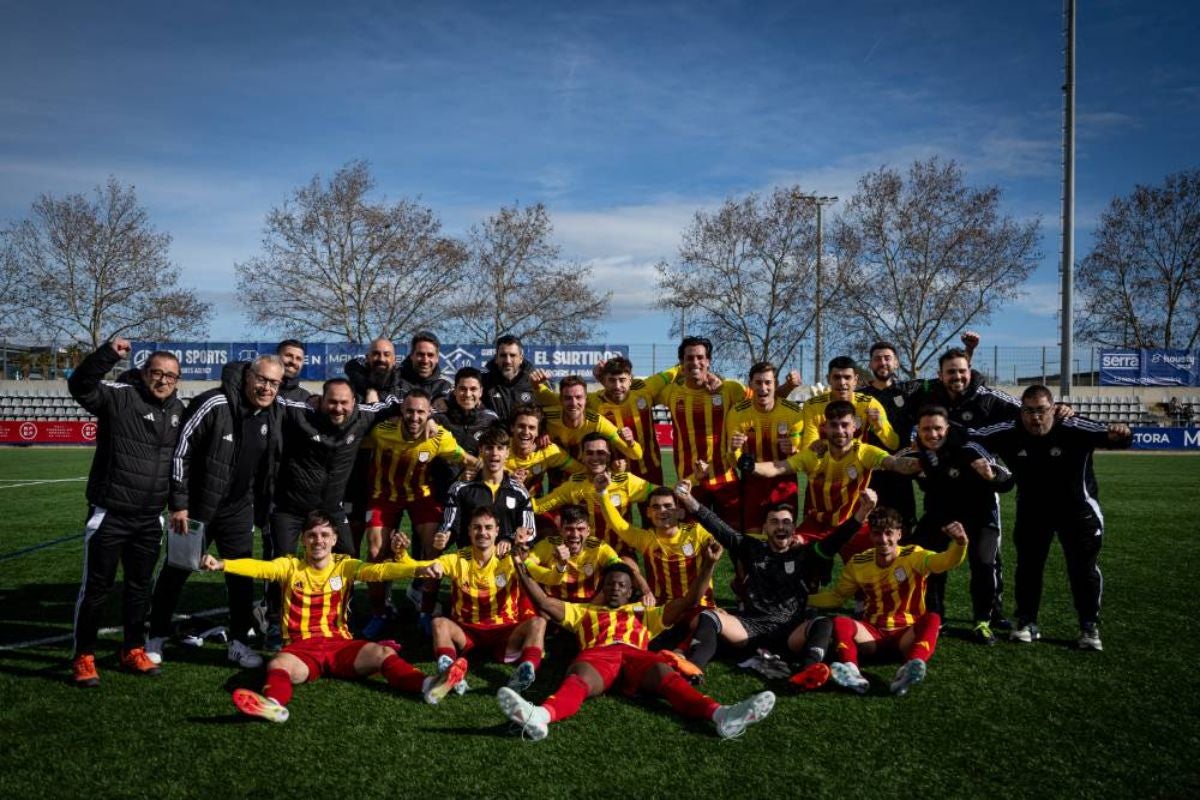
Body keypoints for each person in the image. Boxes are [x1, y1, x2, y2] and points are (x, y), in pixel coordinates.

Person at [198, 510, 465, 722]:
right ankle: (274, 706)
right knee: (278, 665)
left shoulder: (345, 566)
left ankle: (429, 685)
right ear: (303, 539)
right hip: (301, 650)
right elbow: (259, 567)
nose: (319, 541)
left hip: (340, 646)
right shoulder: (290, 566)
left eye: (325, 535)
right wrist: (223, 563)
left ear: (334, 540)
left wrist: (419, 570)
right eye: (312, 535)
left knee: (384, 655)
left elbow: (380, 572)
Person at [498, 543, 776, 741]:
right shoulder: (584, 612)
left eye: (621, 585)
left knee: (667, 675)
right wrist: (519, 565)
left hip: (636, 656)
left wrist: (710, 564)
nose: (614, 588)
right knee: (578, 677)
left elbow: (691, 600)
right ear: (602, 588)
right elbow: (543, 602)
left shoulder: (646, 614)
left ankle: (722, 716)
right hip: (599, 655)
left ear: (631, 591)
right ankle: (541, 716)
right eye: (609, 584)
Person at [147, 355, 285, 668]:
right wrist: (179, 504)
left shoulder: (272, 411)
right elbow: (181, 453)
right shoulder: (213, 402)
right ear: (249, 376)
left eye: (274, 383)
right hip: (197, 509)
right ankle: (155, 636)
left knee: (240, 577)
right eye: (262, 379)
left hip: (238, 511)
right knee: (176, 571)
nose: (267, 387)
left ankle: (238, 643)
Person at [971, 385, 1133, 650]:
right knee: (1028, 568)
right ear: (1021, 411)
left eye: (1042, 410)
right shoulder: (1009, 431)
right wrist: (978, 457)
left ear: (1054, 409)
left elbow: (1116, 437)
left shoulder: (1074, 426)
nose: (1036, 417)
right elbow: (971, 437)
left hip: (1078, 513)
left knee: (1083, 570)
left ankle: (1089, 626)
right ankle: (1026, 622)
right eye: (1029, 411)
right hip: (1033, 512)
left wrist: (1122, 432)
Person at [673, 482, 878, 689]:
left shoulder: (805, 553)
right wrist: (688, 499)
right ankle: (693, 666)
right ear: (766, 527)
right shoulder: (751, 547)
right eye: (774, 522)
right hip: (751, 627)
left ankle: (808, 671)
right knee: (710, 617)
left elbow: (836, 540)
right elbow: (719, 527)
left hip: (791, 632)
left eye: (786, 522)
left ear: (793, 527)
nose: (781, 527)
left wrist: (863, 511)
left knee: (822, 623)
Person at [67, 338, 185, 686]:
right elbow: (80, 385)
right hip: (111, 512)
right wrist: (107, 355)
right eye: (157, 373)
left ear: (177, 380)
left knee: (139, 588)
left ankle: (132, 647)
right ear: (143, 372)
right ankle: (84, 655)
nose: (163, 381)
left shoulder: (178, 410)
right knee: (96, 589)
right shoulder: (118, 397)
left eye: (171, 376)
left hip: (150, 516)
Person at [809, 509, 969, 696]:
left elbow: (945, 562)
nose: (883, 540)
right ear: (870, 535)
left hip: (906, 636)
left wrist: (960, 543)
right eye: (877, 533)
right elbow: (837, 597)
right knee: (840, 622)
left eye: (888, 533)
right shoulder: (859, 562)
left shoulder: (914, 555)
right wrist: (804, 599)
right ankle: (852, 672)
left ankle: (908, 668)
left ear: (899, 534)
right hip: (873, 634)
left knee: (932, 619)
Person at [359, 389, 478, 638]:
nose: (415, 417)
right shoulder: (381, 431)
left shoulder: (439, 438)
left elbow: (466, 458)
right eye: (410, 411)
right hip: (383, 496)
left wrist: (498, 467)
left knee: (434, 547)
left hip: (420, 497)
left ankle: (425, 611)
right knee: (374, 551)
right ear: (401, 411)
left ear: (429, 414)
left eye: (421, 412)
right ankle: (379, 613)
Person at [747, 399, 921, 563]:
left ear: (854, 427)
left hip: (855, 524)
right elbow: (778, 467)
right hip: (817, 525)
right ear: (825, 427)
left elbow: (895, 463)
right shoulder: (815, 454)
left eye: (845, 425)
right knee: (791, 553)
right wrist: (749, 466)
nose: (839, 431)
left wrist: (922, 463)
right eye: (834, 425)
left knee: (877, 565)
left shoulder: (865, 452)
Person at [399, 506, 546, 697]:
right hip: (467, 632)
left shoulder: (510, 558)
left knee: (539, 623)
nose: (482, 533)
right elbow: (425, 566)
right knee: (439, 623)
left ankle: (526, 671)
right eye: (477, 528)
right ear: (469, 531)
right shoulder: (458, 558)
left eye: (487, 527)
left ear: (497, 531)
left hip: (505, 632)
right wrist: (406, 556)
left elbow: (539, 571)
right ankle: (450, 671)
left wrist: (525, 551)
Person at [900, 406, 1013, 644]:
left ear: (947, 429)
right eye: (926, 429)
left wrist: (992, 474)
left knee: (984, 564)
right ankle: (935, 617)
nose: (932, 435)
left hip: (979, 515)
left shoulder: (970, 448)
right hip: (940, 517)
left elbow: (1007, 480)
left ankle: (983, 620)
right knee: (926, 560)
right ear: (918, 432)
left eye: (938, 429)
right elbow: (886, 463)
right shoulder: (916, 454)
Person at [653, 336, 746, 525]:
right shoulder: (669, 393)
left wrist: (790, 385)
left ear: (708, 361)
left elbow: (768, 398)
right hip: (688, 481)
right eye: (689, 358)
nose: (695, 362)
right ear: (681, 363)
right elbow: (637, 394)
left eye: (700, 357)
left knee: (734, 540)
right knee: (691, 539)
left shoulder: (730, 389)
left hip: (725, 478)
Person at [535, 432, 654, 556]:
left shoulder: (625, 481)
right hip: (585, 554)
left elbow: (661, 494)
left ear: (608, 456)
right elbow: (539, 506)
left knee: (627, 573)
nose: (595, 457)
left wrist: (677, 490)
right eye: (589, 453)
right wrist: (517, 490)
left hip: (619, 551)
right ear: (582, 456)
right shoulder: (574, 484)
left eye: (600, 453)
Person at [723, 361, 805, 536]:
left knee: (783, 540)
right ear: (750, 384)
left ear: (775, 384)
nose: (763, 387)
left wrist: (794, 450)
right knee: (753, 542)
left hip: (784, 483)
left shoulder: (794, 413)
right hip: (753, 485)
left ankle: (787, 565)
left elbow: (804, 455)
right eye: (758, 382)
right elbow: (733, 457)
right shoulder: (737, 413)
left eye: (768, 382)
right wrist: (733, 450)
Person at [589, 356, 678, 486]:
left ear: (630, 379)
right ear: (603, 381)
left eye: (622, 380)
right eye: (612, 380)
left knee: (655, 506)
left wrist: (709, 377)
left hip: (650, 468)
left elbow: (675, 371)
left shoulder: (645, 390)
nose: (617, 386)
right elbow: (561, 401)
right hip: (614, 472)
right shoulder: (593, 401)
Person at [521, 504, 626, 602]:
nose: (575, 534)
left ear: (588, 531)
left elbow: (620, 570)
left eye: (580, 529)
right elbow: (527, 564)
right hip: (555, 604)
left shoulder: (599, 547)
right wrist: (551, 574)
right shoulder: (548, 544)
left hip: (589, 604)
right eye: (569, 529)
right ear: (560, 530)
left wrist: (599, 599)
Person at [798, 356, 898, 452]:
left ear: (855, 380)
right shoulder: (812, 405)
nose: (842, 382)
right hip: (823, 464)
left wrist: (879, 426)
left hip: (857, 465)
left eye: (847, 377)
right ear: (828, 379)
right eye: (837, 377)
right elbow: (808, 447)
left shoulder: (868, 403)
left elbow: (893, 444)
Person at [540, 375, 643, 466]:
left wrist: (631, 443)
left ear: (586, 399)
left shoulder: (597, 422)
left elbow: (637, 455)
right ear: (561, 400)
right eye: (568, 398)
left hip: (589, 480)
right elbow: (528, 420)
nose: (573, 403)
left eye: (578, 397)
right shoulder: (547, 416)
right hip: (558, 482)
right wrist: (540, 430)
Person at [482, 334, 537, 423]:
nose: (508, 361)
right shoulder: (483, 382)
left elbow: (546, 413)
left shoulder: (535, 383)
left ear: (521, 359)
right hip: (495, 436)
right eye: (503, 355)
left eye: (512, 355)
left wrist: (543, 431)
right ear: (496, 358)